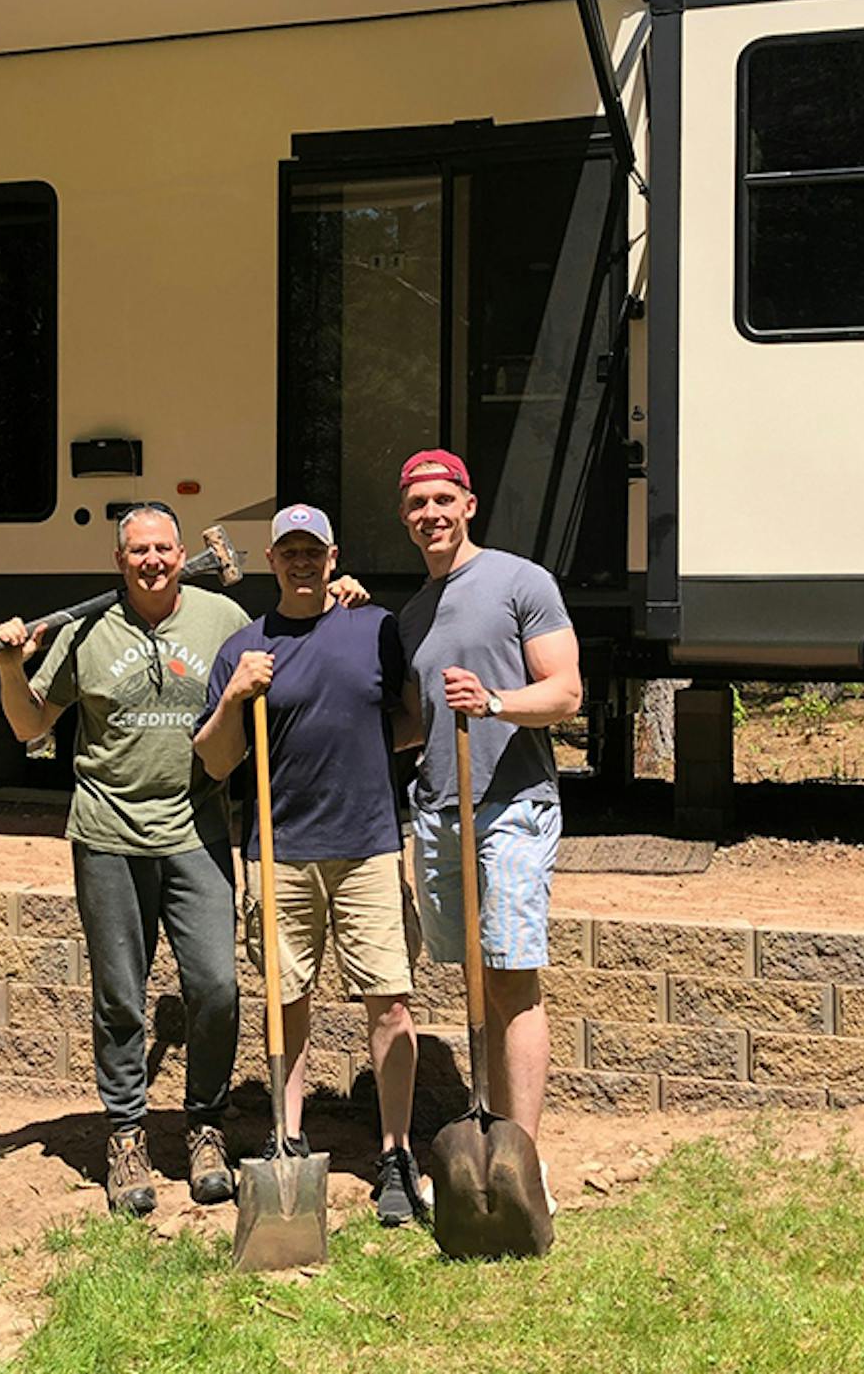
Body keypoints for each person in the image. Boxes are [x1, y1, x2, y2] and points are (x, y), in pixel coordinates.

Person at [0, 503, 247, 1218]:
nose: (154, 560)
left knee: (217, 986)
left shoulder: (221, 619)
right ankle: (127, 1133)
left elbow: (282, 654)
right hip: (107, 832)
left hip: (197, 830)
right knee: (119, 996)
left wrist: (340, 595)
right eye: (139, 550)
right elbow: (30, 722)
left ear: (183, 551)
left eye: (164, 547)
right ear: (119, 559)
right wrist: (13, 665)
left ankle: (205, 1125)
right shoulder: (85, 630)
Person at [193, 505, 427, 1226]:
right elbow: (214, 757)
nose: (302, 561)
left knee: (388, 1000)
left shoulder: (375, 627)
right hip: (279, 850)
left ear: (334, 556)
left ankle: (395, 1152)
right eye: (289, 550)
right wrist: (235, 696)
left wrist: (351, 751)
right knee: (285, 1002)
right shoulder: (244, 647)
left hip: (369, 843)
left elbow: (412, 719)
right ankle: (287, 1138)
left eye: (313, 550)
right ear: (271, 558)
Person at [394, 449, 582, 1198]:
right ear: (404, 516)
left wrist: (496, 702)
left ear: (469, 504)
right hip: (440, 808)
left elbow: (565, 691)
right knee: (471, 977)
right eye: (417, 504)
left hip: (510, 804)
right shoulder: (412, 613)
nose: (431, 514)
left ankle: (519, 1162)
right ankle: (487, 1137)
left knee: (511, 976)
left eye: (444, 499)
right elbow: (413, 722)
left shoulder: (519, 581)